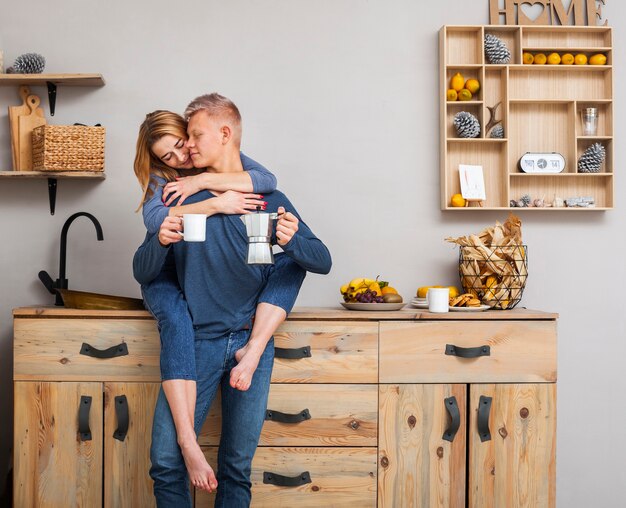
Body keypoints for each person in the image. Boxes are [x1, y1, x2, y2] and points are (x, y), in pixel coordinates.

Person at [133, 93, 331, 507]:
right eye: (184, 137)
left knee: (236, 469)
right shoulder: (180, 195)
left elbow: (321, 260)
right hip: (196, 344)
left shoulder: (267, 198)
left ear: (225, 134)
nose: (187, 146)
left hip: (248, 344)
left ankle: (255, 347)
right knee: (166, 464)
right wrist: (166, 234)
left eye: (194, 135)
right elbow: (146, 268)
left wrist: (292, 240)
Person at [134, 110, 279, 493]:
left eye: (181, 145)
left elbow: (267, 181)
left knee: (236, 465)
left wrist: (202, 180)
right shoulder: (160, 180)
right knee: (177, 320)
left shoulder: (222, 167)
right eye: (168, 156)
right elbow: (155, 220)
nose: (180, 159)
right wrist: (216, 204)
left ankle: (187, 440)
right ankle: (186, 438)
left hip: (216, 304)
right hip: (165, 277)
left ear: (191, 135)